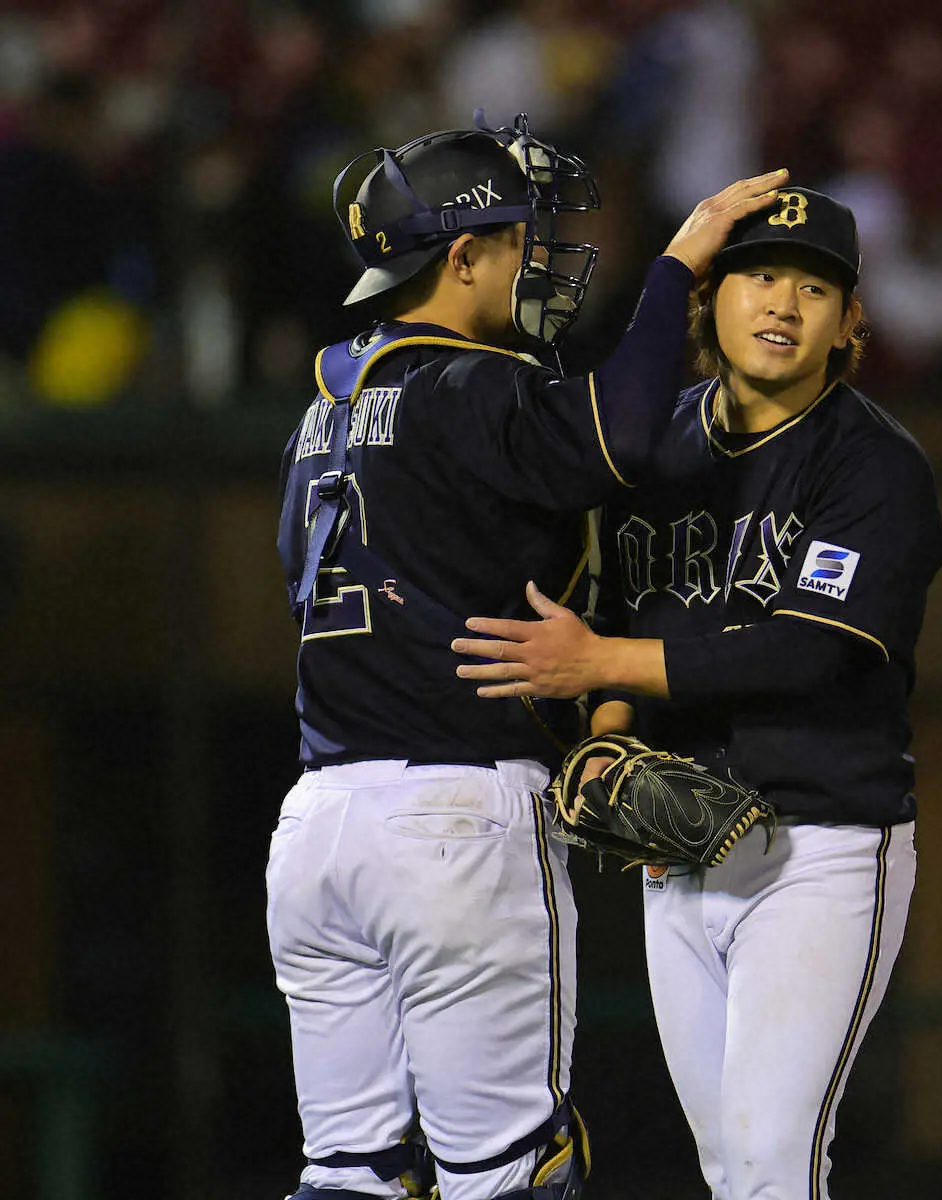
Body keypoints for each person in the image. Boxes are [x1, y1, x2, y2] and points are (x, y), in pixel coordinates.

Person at [272, 109, 788, 1200]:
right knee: (515, 1174)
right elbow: (626, 431)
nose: (534, 259)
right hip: (453, 818)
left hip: (318, 829)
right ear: (461, 256)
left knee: (352, 1172)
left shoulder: (322, 409)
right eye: (516, 238)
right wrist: (678, 268)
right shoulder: (469, 384)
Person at [451, 185, 942, 1199]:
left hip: (821, 847)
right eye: (761, 274)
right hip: (678, 851)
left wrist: (601, 669)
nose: (784, 303)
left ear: (852, 321)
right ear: (710, 297)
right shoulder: (653, 447)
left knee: (772, 1163)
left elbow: (810, 653)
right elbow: (624, 612)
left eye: (817, 287)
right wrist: (609, 735)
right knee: (730, 1166)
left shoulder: (875, 466)